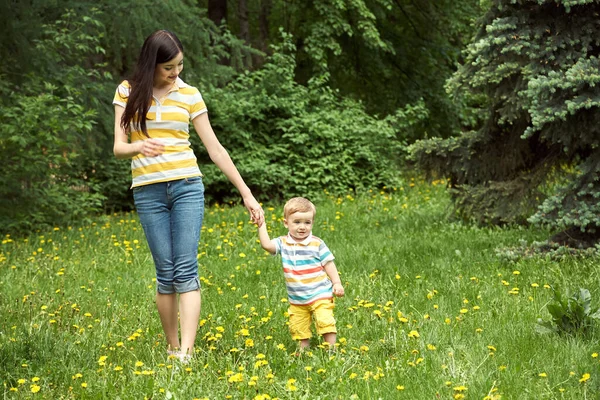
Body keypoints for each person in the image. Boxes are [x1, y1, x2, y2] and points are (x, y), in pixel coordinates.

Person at [112, 30, 264, 362]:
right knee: (165, 272)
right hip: (148, 191)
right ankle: (171, 347)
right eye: (169, 68)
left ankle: (187, 352)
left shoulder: (190, 94)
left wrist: (246, 193)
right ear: (152, 65)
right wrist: (140, 146)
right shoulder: (128, 92)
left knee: (186, 269)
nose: (176, 72)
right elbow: (119, 147)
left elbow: (215, 149)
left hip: (187, 188)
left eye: (180, 65)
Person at [257, 197, 344, 350]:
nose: (302, 227)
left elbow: (328, 263)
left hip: (320, 293)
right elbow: (267, 245)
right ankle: (303, 351)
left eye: (307, 222)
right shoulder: (283, 243)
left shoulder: (317, 243)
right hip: (297, 298)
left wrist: (336, 283)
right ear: (286, 223)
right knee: (298, 326)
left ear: (312, 223)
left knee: (325, 320)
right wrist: (261, 224)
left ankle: (331, 350)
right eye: (297, 222)